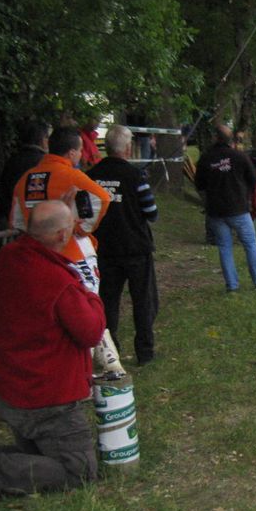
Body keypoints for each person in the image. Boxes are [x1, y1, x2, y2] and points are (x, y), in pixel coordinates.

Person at [0, 201, 105, 495]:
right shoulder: (55, 279)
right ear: (60, 235)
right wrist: (91, 294)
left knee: (42, 460)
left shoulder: (8, 257)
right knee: (79, 472)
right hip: (49, 396)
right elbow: (91, 331)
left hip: (14, 385)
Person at [10, 126, 123, 375]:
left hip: (35, 256)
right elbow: (102, 197)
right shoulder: (71, 175)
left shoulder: (26, 178)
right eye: (81, 150)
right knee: (86, 311)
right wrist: (82, 226)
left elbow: (17, 220)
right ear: (72, 152)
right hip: (72, 255)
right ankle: (104, 365)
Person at [87, 125, 160, 366]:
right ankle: (145, 351)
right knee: (143, 300)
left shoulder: (92, 175)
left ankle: (110, 350)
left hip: (104, 248)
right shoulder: (135, 176)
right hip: (136, 247)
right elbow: (151, 212)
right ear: (128, 148)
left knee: (108, 301)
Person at [194, 124, 256, 292]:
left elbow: (199, 184)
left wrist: (207, 198)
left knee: (224, 247)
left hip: (216, 211)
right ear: (231, 140)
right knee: (250, 244)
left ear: (215, 138)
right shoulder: (239, 157)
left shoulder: (206, 158)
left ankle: (232, 285)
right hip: (238, 208)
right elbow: (253, 178)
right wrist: (245, 194)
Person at [0, 120, 50, 219]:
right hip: (37, 219)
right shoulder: (45, 162)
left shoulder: (13, 160)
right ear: (43, 140)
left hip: (10, 214)